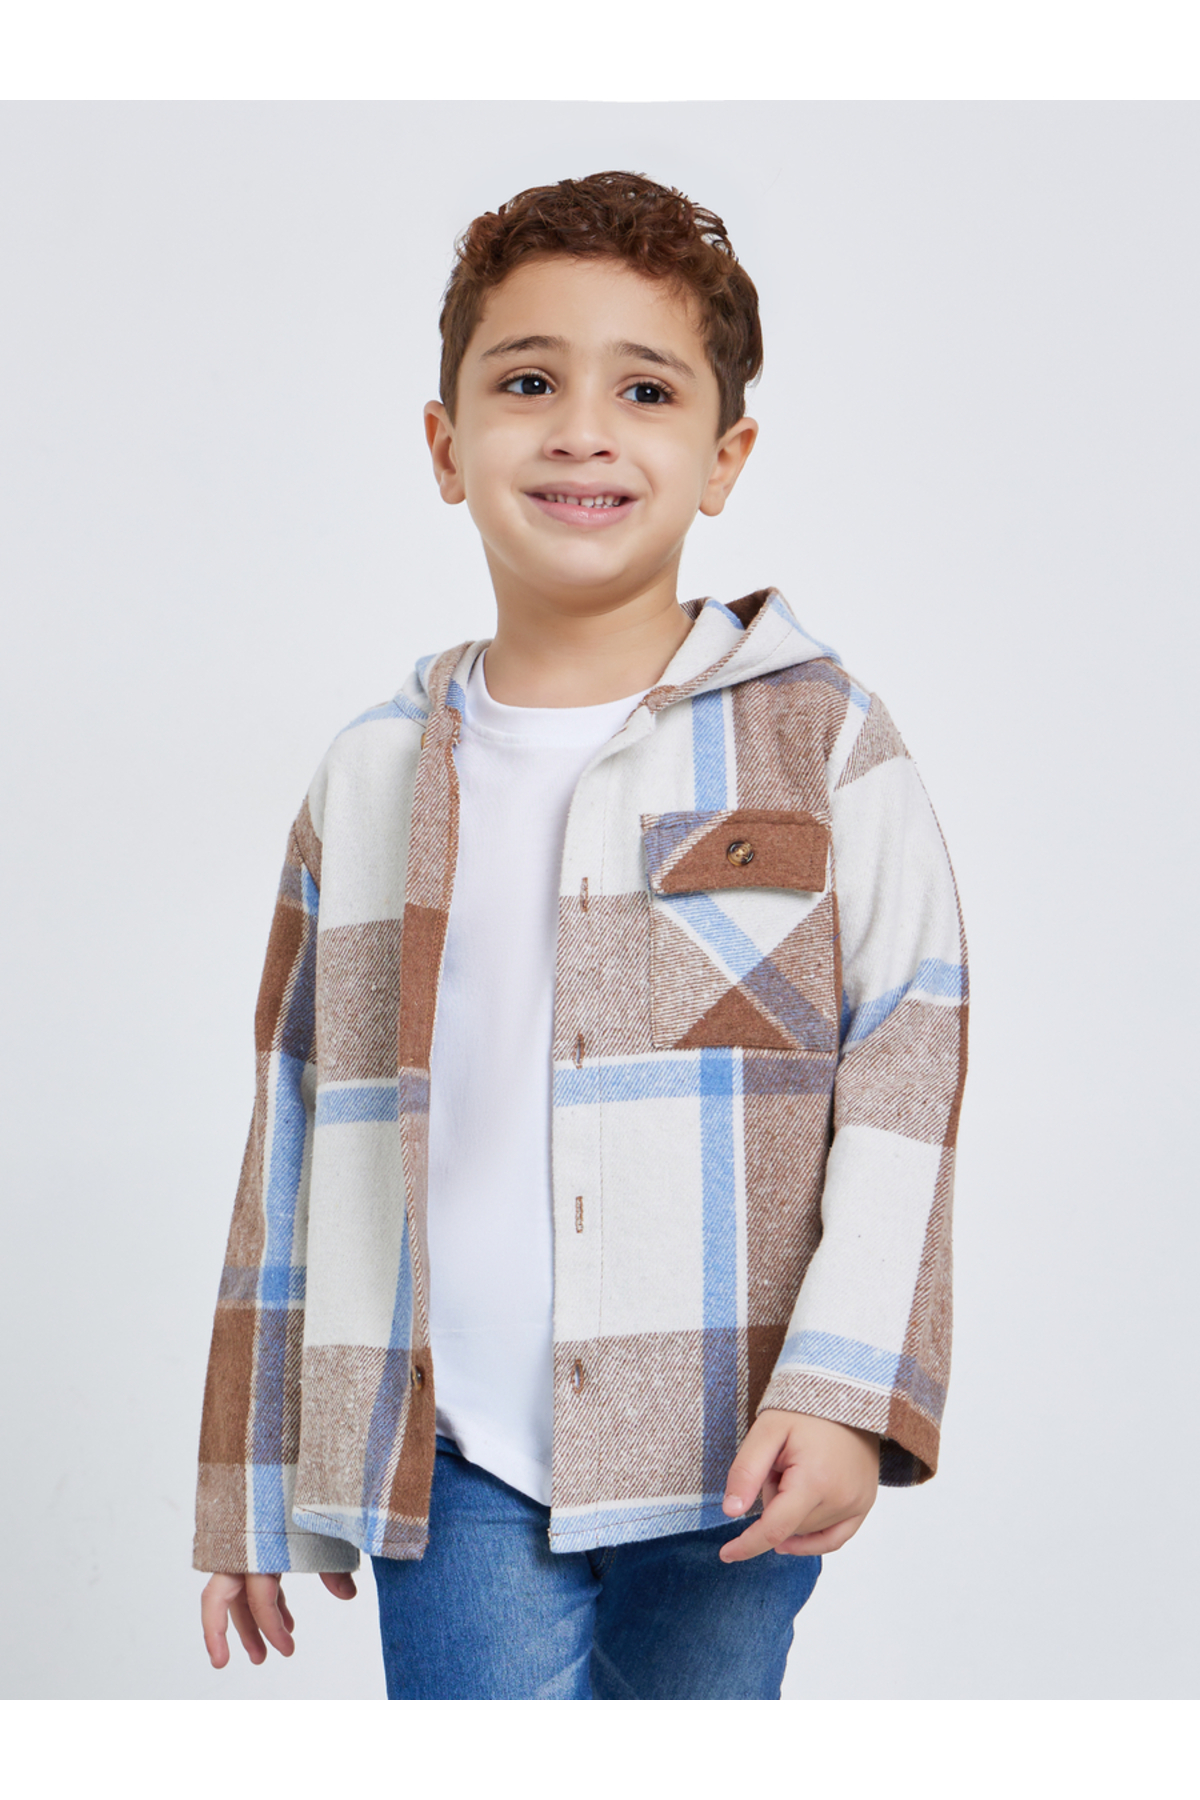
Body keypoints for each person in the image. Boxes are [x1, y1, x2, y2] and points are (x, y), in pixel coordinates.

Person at [195, 170, 968, 1700]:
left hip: (734, 1442)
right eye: (529, 382)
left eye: (647, 390)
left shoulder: (823, 742)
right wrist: (252, 1475)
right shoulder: (370, 775)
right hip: (453, 1451)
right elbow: (296, 1115)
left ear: (725, 456)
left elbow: (907, 1075)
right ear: (446, 444)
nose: (583, 431)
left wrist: (845, 1392)